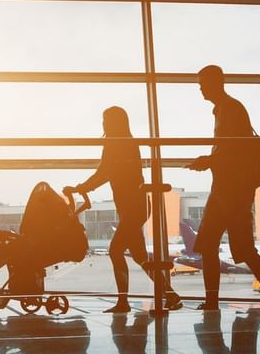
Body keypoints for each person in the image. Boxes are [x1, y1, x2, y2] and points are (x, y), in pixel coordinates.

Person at [187, 64, 260, 310]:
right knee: (217, 246)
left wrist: (208, 160)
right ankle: (217, 299)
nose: (200, 89)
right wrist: (210, 161)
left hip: (231, 191)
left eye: (203, 84)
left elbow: (236, 152)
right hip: (225, 190)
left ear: (215, 82)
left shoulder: (230, 109)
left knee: (235, 248)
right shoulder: (223, 109)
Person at [65, 106, 182, 313]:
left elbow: (104, 172)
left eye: (105, 120)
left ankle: (123, 301)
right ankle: (170, 295)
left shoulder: (117, 144)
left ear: (113, 123)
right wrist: (82, 187)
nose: (103, 124)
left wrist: (81, 188)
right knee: (139, 256)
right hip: (134, 207)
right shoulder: (126, 142)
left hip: (133, 208)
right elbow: (106, 172)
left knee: (115, 250)